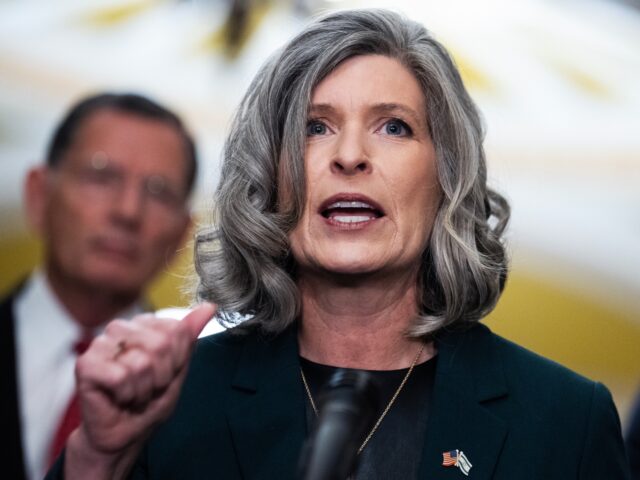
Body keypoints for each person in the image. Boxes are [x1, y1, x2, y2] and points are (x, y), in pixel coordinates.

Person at [47, 9, 630, 480]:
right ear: (270, 177)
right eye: (314, 126)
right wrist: (99, 459)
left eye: (393, 126)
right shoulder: (172, 402)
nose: (349, 155)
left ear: (446, 179)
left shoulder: (564, 419)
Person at [0, 92, 196, 480]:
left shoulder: (201, 390)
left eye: (158, 191)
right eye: (101, 176)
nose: (128, 211)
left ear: (181, 235)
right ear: (40, 194)